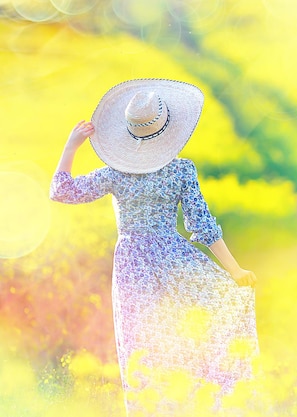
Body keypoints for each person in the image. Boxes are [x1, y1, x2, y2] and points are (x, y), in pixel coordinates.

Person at [50, 79, 259, 415]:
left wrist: (71, 146)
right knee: (188, 339)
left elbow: (62, 192)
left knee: (144, 349)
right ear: (168, 128)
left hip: (133, 266)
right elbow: (203, 225)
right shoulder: (181, 170)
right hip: (174, 259)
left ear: (129, 132)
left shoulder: (114, 172)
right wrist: (234, 271)